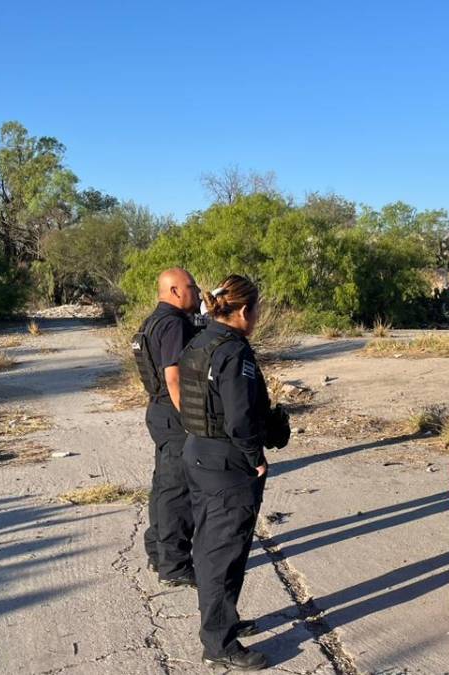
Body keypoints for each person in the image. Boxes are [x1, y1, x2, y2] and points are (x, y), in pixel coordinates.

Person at [178, 274, 290, 670]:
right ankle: (218, 644)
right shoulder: (233, 351)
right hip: (226, 465)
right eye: (256, 310)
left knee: (213, 548)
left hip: (198, 454)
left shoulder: (200, 339)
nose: (257, 317)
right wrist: (254, 456)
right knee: (222, 553)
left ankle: (223, 622)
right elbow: (240, 419)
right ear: (244, 310)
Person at [133, 268, 201, 587]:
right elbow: (173, 377)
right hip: (173, 414)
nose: (198, 292)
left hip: (159, 411)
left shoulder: (154, 320)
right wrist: (192, 420)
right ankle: (174, 565)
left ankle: (157, 552)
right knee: (178, 491)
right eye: (192, 286)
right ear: (174, 291)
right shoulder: (174, 324)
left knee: (164, 485)